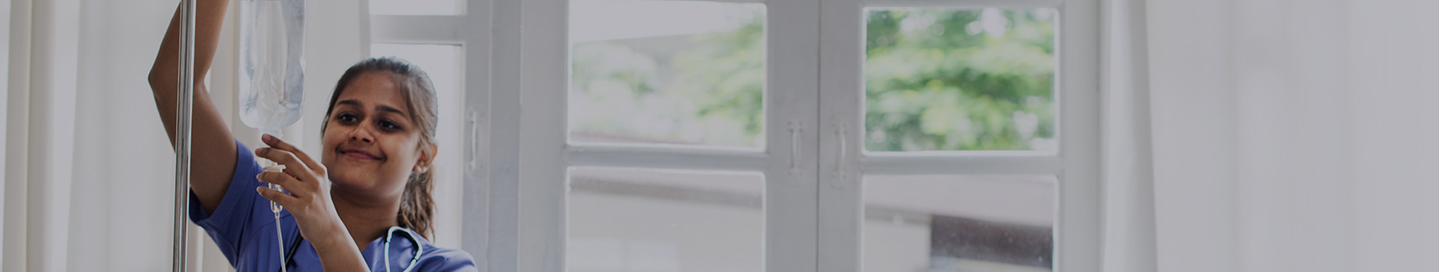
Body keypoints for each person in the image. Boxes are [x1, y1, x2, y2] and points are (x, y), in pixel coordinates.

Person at [147, 0, 477, 271]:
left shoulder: (443, 266)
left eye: (387, 124)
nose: (361, 132)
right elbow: (173, 83)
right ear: (325, 130)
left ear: (423, 156)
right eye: (348, 117)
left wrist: (328, 234)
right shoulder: (262, 205)